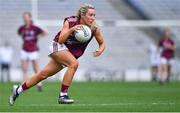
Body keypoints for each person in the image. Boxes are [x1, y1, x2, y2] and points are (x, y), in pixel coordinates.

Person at [9, 4, 105, 105]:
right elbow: (61, 40)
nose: (93, 18)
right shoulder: (70, 21)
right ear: (82, 14)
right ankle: (63, 95)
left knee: (43, 75)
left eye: (94, 15)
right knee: (74, 64)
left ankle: (17, 90)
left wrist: (100, 50)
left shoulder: (94, 28)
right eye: (90, 15)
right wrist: (72, 30)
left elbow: (102, 43)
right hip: (58, 46)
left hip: (68, 53)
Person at [18, 12, 47, 91]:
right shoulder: (22, 28)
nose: (25, 19)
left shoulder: (34, 27)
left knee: (36, 68)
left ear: (30, 18)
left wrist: (38, 37)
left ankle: (39, 83)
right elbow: (19, 33)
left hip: (33, 50)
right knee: (24, 68)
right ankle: (23, 84)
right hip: (24, 50)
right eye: (24, 17)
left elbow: (45, 32)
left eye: (27, 17)